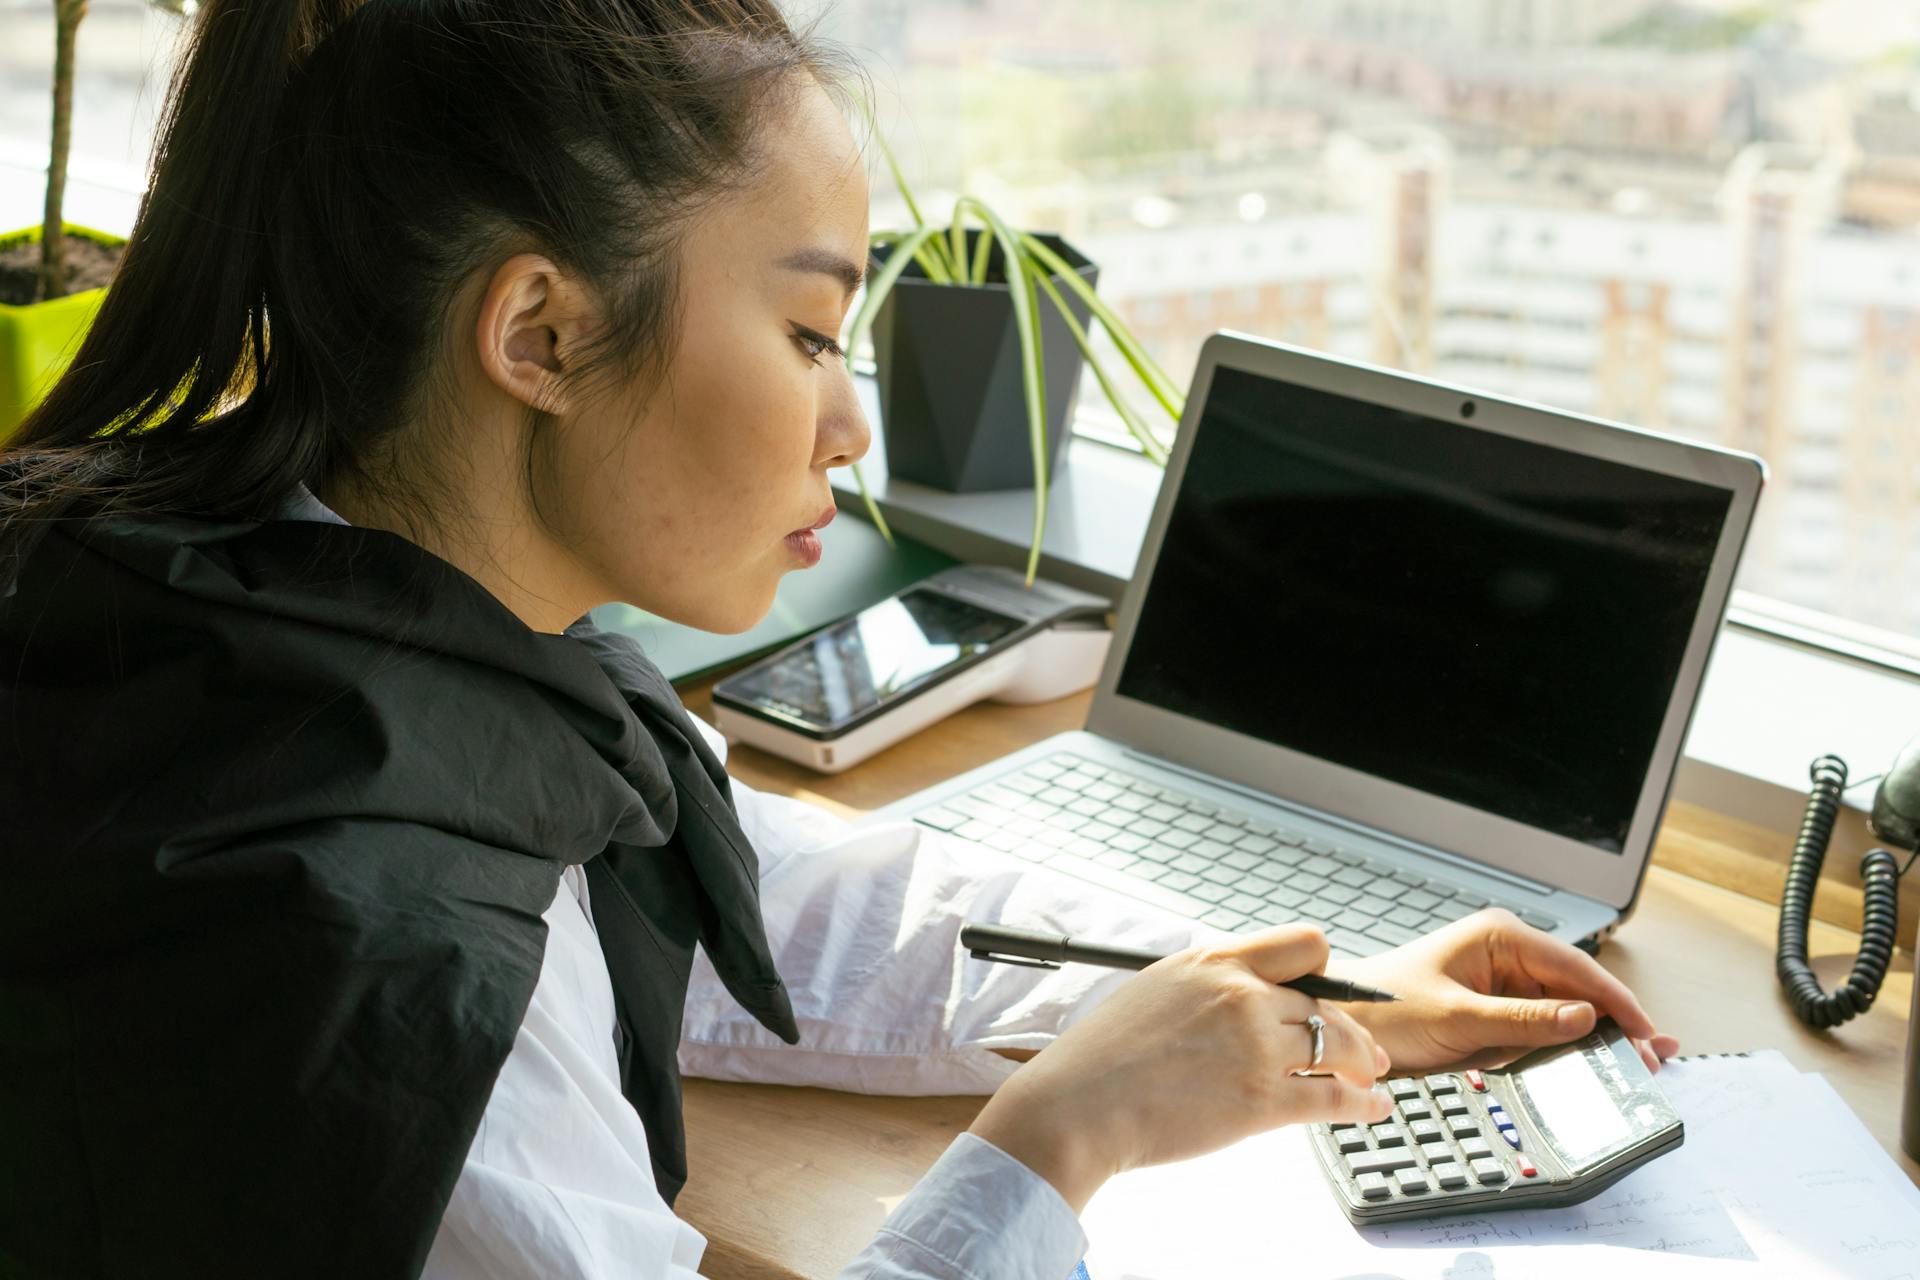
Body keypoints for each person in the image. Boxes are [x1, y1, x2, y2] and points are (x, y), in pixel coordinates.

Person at [0, 2, 1680, 1277]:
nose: (851, 427)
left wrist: (1316, 981)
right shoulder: (392, 975)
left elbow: (755, 885)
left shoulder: (252, 595)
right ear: (540, 332)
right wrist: (1061, 1136)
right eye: (810, 331)